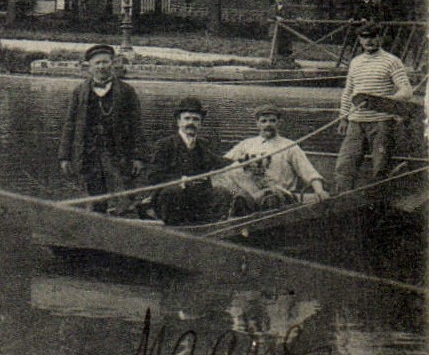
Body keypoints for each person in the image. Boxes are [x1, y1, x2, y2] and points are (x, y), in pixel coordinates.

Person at [58, 44, 144, 213]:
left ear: (112, 64)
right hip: (89, 154)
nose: (101, 67)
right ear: (89, 67)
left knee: (124, 197)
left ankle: (124, 229)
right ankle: (96, 232)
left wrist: (138, 157)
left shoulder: (127, 91)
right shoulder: (79, 92)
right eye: (97, 63)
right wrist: (64, 157)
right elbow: (70, 125)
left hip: (118, 154)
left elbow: (136, 126)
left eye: (105, 62)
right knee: (94, 197)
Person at [334, 21, 415, 191]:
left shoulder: (392, 61)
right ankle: (342, 202)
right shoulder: (355, 62)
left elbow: (406, 91)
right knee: (344, 165)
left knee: (381, 167)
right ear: (360, 39)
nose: (369, 41)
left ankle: (379, 203)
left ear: (380, 37)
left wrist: (382, 102)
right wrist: (343, 117)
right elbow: (348, 92)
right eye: (364, 37)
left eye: (373, 36)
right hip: (356, 122)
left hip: (381, 123)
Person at [215, 104, 327, 211]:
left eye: (272, 121)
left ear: (279, 123)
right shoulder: (246, 144)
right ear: (257, 124)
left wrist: (319, 190)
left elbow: (309, 172)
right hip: (251, 193)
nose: (268, 124)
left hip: (280, 197)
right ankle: (242, 203)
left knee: (270, 198)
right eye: (264, 121)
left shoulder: (289, 146)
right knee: (229, 175)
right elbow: (224, 163)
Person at [145, 97, 227, 225]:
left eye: (196, 119)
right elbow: (154, 176)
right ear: (178, 121)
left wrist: (243, 162)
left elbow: (220, 162)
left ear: (201, 123)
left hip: (197, 196)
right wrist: (182, 180)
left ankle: (209, 228)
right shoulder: (164, 144)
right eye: (187, 118)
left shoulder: (204, 145)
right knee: (173, 192)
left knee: (222, 193)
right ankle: (174, 228)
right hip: (170, 196)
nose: (191, 123)